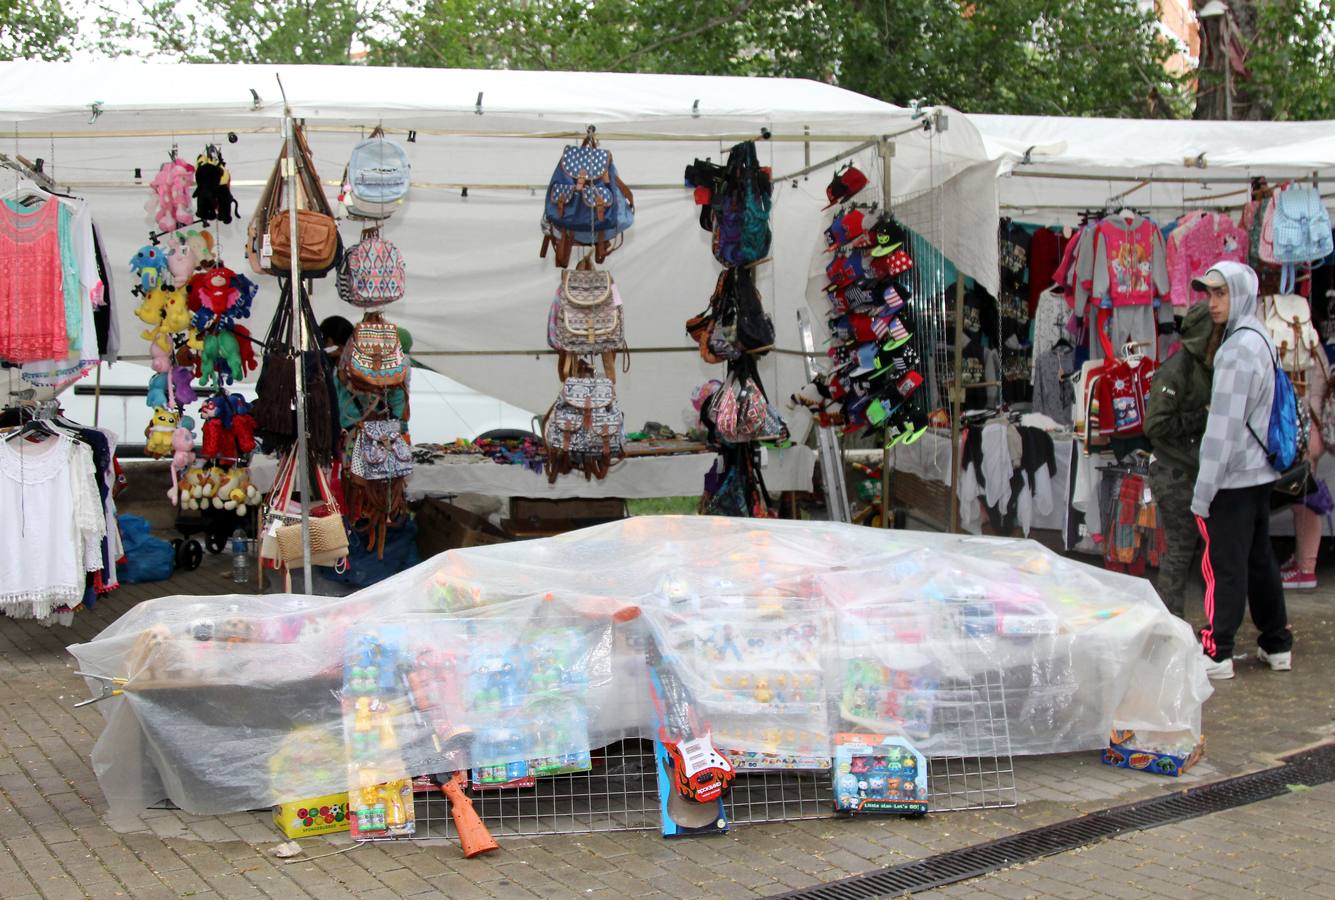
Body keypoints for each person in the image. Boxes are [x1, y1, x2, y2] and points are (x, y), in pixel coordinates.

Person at [1190, 261, 1293, 679]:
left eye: (1222, 293)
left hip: (1233, 477)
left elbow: (1222, 429)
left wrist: (1203, 490)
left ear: (1241, 294)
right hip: (1258, 472)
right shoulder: (1260, 337)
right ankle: (1276, 643)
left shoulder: (1235, 350)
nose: (1213, 303)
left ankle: (1218, 652)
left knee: (1224, 565)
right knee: (1258, 561)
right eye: (1210, 294)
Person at [1144, 304, 1222, 618]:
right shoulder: (1178, 368)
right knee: (1179, 551)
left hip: (1199, 471)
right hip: (1175, 472)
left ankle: (1209, 624)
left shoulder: (1210, 366)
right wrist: (1200, 418)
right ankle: (1172, 626)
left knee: (1207, 554)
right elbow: (1155, 425)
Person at [1281, 359, 1329, 590]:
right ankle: (1303, 560)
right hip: (1313, 432)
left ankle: (1306, 568)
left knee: (1304, 502)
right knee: (1303, 499)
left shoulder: (1298, 345)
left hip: (1302, 436)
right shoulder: (1315, 347)